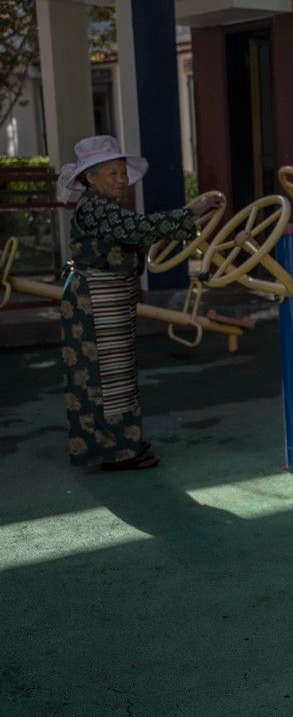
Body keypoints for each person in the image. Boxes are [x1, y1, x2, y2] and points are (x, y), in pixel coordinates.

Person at [57, 135, 222, 471]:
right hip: (96, 301)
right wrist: (190, 213)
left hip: (109, 298)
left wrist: (186, 220)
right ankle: (114, 451)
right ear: (91, 178)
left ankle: (123, 443)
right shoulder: (96, 207)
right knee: (104, 377)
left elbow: (138, 232)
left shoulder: (102, 206)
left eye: (122, 173)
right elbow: (138, 228)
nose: (121, 180)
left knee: (116, 375)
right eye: (113, 173)